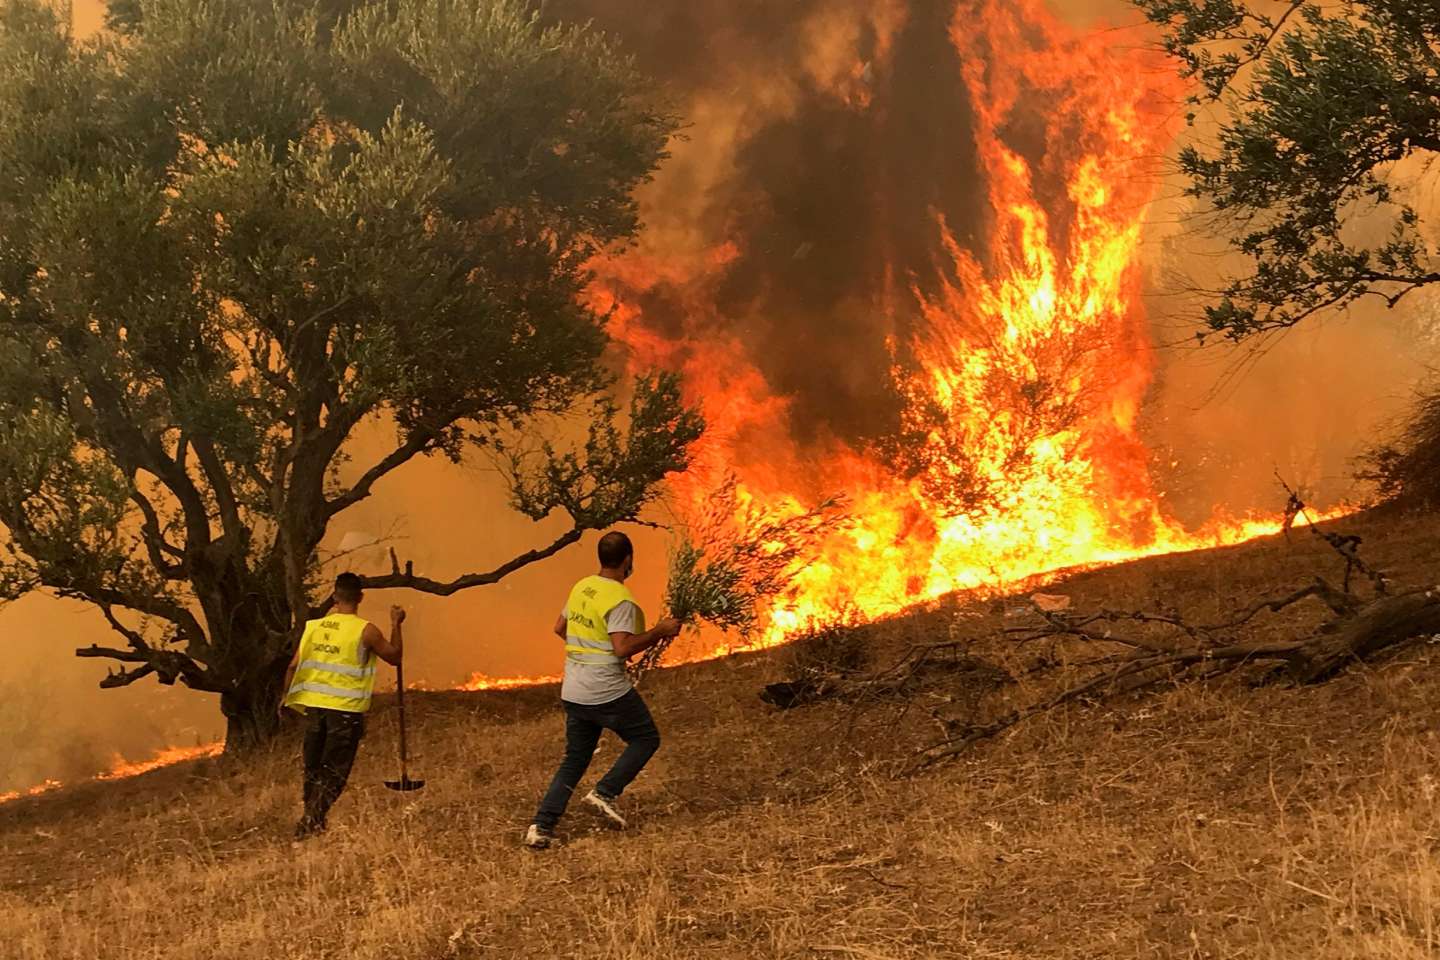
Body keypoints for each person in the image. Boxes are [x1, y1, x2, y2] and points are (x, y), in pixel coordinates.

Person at [525, 531, 681, 849]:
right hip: (605, 689)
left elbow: (560, 628)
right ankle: (605, 793)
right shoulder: (620, 599)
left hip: (574, 688)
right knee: (646, 738)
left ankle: (541, 827)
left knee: (575, 759)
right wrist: (660, 630)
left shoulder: (583, 586)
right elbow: (622, 648)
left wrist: (586, 650)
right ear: (628, 559)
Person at [281, 572, 405, 839]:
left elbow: (292, 667)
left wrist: (286, 701)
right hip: (345, 711)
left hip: (315, 709)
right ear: (360, 597)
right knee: (335, 769)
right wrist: (396, 624)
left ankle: (312, 818)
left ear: (335, 597)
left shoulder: (314, 628)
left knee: (313, 766)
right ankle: (311, 821)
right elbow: (394, 657)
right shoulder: (366, 630)